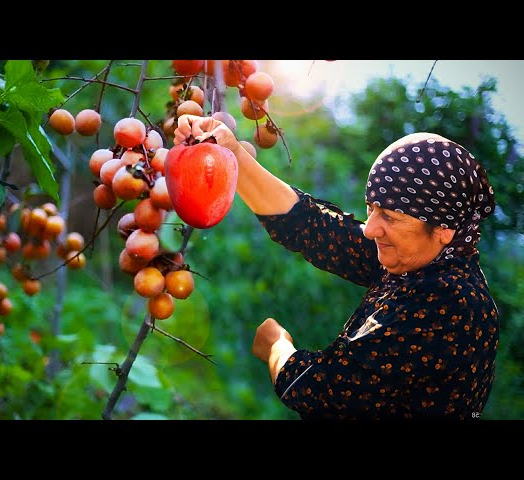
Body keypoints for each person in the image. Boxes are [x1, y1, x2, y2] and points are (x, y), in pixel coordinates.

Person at [174, 115, 499, 420]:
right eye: (371, 208)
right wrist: (232, 153)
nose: (370, 229)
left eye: (390, 217)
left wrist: (276, 344)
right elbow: (310, 227)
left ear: (445, 229)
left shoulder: (453, 303)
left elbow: (317, 389)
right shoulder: (416, 259)